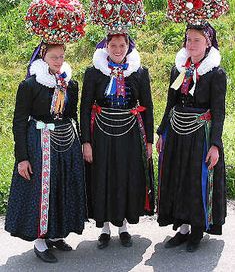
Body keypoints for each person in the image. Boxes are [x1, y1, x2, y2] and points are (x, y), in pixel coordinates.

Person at [5, 42, 87, 263]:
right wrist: (22, 158)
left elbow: (72, 115)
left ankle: (57, 233)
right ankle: (40, 240)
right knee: (42, 190)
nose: (59, 62)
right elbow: (19, 121)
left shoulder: (71, 84)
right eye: (54, 57)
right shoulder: (30, 85)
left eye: (61, 57)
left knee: (62, 186)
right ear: (43, 58)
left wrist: (80, 142)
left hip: (65, 143)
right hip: (39, 143)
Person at [156, 22, 227, 252]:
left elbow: (219, 111)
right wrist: (161, 133)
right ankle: (182, 228)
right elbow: (171, 103)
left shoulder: (215, 74)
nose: (191, 44)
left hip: (201, 135)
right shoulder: (179, 69)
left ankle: (197, 230)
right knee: (179, 177)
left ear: (208, 43)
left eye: (196, 40)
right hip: (177, 133)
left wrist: (215, 145)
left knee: (196, 180)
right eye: (188, 39)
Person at [80, 32, 154, 249]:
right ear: (106, 46)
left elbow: (147, 107)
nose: (118, 49)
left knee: (125, 176)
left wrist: (149, 140)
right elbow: (85, 108)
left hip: (130, 133)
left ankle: (123, 226)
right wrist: (86, 141)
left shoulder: (139, 72)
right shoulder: (94, 73)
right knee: (103, 176)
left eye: (122, 45)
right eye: (113, 45)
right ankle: (104, 228)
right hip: (101, 133)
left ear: (129, 46)